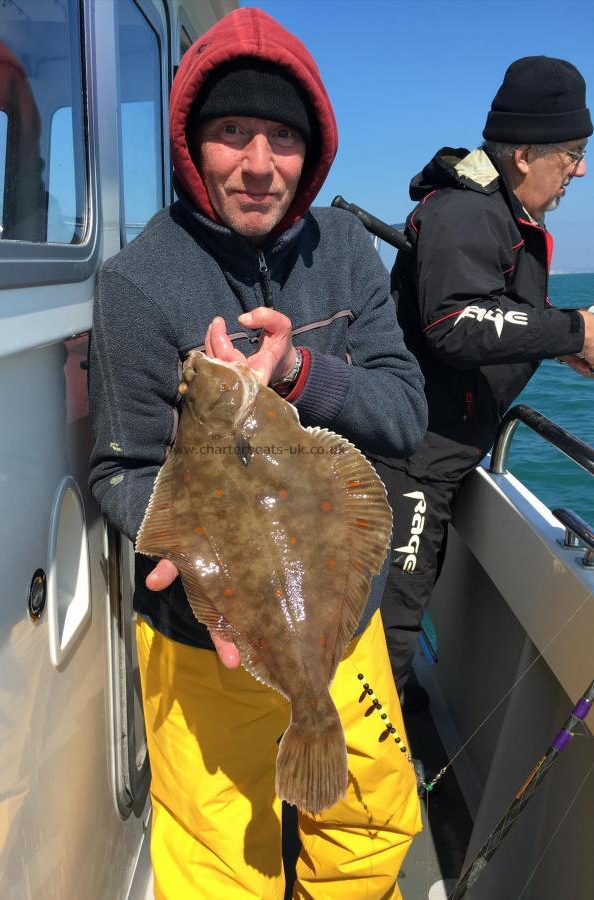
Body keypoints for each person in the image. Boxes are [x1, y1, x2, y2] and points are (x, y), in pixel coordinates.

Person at [89, 7, 427, 898]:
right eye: (230, 132)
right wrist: (187, 552)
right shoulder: (133, 284)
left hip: (333, 619)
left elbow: (402, 414)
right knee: (214, 864)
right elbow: (118, 468)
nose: (257, 162)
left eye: (281, 136)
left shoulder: (348, 250)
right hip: (202, 636)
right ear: (191, 144)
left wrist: (302, 375)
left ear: (310, 151)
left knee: (367, 830)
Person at [371, 55, 594, 709]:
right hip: (411, 454)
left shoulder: (495, 206)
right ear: (524, 155)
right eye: (572, 154)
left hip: (441, 446)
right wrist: (574, 333)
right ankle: (372, 760)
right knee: (395, 609)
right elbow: (451, 320)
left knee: (408, 595)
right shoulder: (467, 213)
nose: (578, 171)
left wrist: (553, 350)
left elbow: (486, 315)